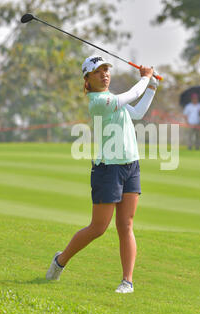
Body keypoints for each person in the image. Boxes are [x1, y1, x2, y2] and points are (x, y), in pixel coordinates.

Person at [46, 55, 159, 293]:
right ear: (87, 79)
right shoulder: (98, 101)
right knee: (98, 228)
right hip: (108, 168)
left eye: (106, 70)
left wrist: (152, 88)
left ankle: (127, 281)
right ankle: (60, 260)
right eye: (98, 72)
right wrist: (146, 78)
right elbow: (130, 96)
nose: (104, 74)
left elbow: (136, 113)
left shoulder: (111, 98)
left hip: (131, 165)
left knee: (126, 225)